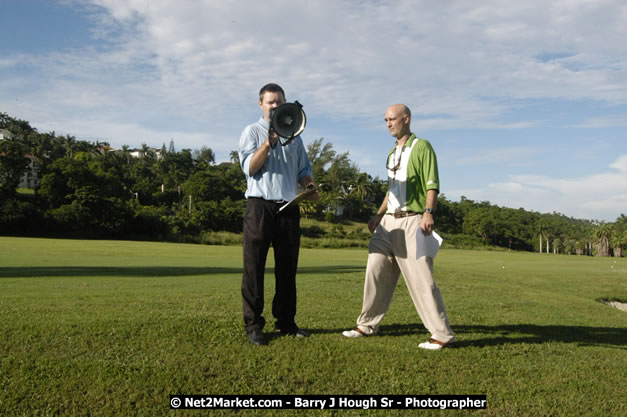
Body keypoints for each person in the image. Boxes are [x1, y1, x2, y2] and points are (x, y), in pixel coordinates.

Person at [342, 104, 455, 350]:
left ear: (406, 119)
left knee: (421, 278)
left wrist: (428, 212)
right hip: (388, 223)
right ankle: (366, 325)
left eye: (392, 119)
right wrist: (378, 215)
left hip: (413, 219)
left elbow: (432, 183)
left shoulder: (422, 146)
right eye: (385, 120)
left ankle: (441, 335)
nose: (388, 124)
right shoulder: (392, 153)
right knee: (375, 269)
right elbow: (391, 189)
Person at [238, 83, 319, 346]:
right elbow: (250, 168)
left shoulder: (296, 135)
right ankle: (253, 324)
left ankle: (286, 322)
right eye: (270, 102)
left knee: (287, 269)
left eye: (279, 101)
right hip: (260, 206)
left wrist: (309, 186)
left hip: (288, 207)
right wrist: (268, 143)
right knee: (254, 268)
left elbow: (303, 170)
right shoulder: (252, 131)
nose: (275, 105)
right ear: (261, 104)